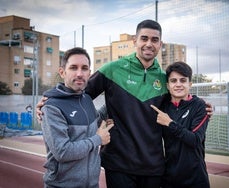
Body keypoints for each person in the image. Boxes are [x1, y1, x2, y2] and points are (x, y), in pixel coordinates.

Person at [37, 20, 213, 188]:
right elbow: (78, 92)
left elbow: (179, 99)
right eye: (144, 38)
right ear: (134, 41)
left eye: (154, 40)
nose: (149, 44)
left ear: (160, 44)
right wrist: (50, 99)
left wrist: (201, 105)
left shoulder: (163, 79)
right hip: (118, 164)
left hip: (153, 165)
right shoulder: (113, 69)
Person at [41, 47, 114, 188]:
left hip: (92, 185)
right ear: (62, 72)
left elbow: (93, 123)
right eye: (74, 68)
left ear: (89, 73)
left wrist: (116, 101)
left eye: (84, 68)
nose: (80, 73)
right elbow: (63, 152)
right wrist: (98, 139)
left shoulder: (86, 99)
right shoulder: (51, 106)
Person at [151, 62, 210, 188]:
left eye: (183, 80)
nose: (178, 84)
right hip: (169, 178)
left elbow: (195, 140)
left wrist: (170, 123)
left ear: (190, 84)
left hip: (195, 178)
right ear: (167, 85)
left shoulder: (200, 106)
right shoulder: (163, 106)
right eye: (173, 81)